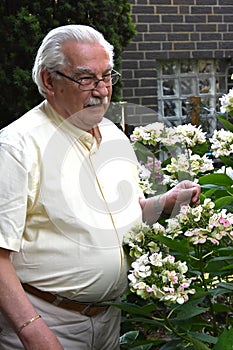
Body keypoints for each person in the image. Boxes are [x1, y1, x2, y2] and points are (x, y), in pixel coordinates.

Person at [0, 24, 200, 350]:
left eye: (107, 76)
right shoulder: (17, 148)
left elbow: (123, 214)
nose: (102, 90)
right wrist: (32, 331)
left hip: (110, 321)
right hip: (47, 323)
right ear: (50, 81)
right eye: (86, 78)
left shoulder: (112, 136)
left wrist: (165, 201)